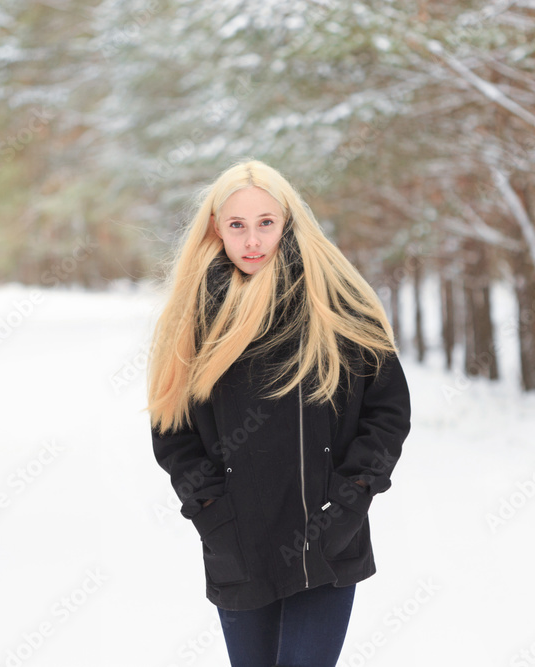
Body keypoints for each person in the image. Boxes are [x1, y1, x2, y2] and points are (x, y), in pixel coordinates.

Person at [146, 159, 412, 667]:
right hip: (239, 544)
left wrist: (352, 495)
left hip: (327, 536)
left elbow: (388, 410)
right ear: (215, 228)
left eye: (266, 222)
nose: (253, 241)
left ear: (288, 222)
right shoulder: (191, 315)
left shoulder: (338, 303)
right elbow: (170, 428)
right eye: (238, 225)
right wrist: (210, 511)